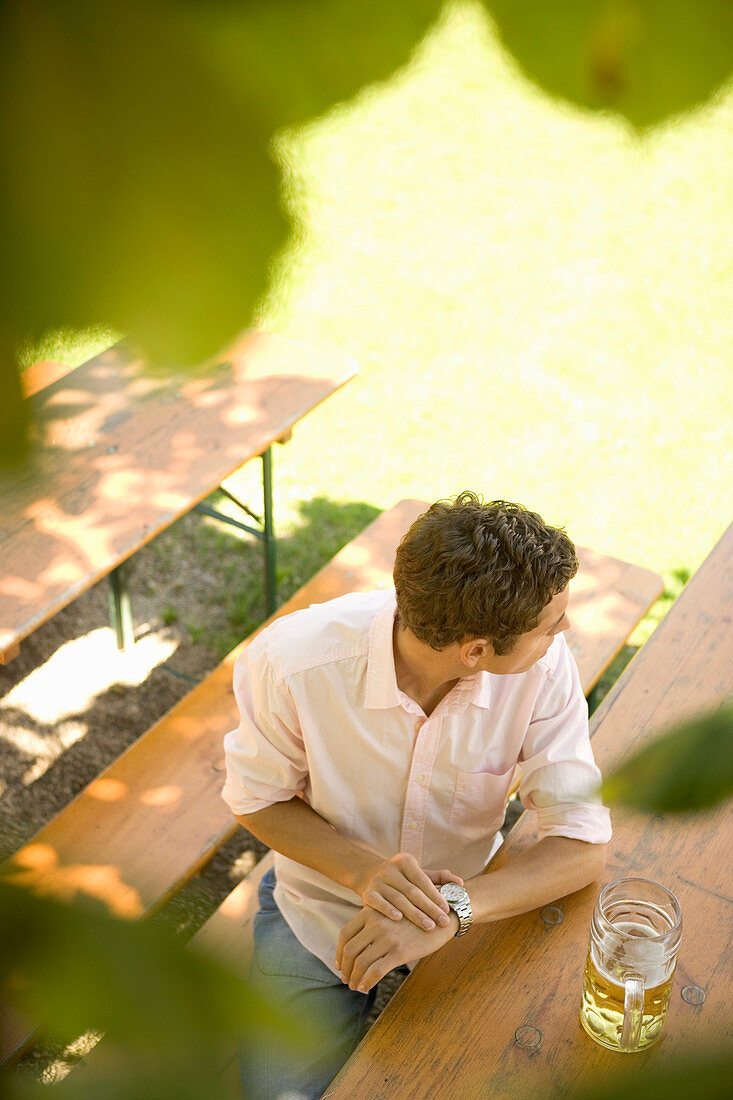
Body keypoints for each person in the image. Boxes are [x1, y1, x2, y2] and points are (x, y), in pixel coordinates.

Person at [222, 492, 611, 1099]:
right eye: (550, 624)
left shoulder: (544, 667)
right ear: (475, 651)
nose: (565, 630)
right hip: (318, 909)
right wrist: (364, 874)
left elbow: (582, 846)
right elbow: (256, 797)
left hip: (475, 907)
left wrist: (453, 909)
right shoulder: (292, 663)